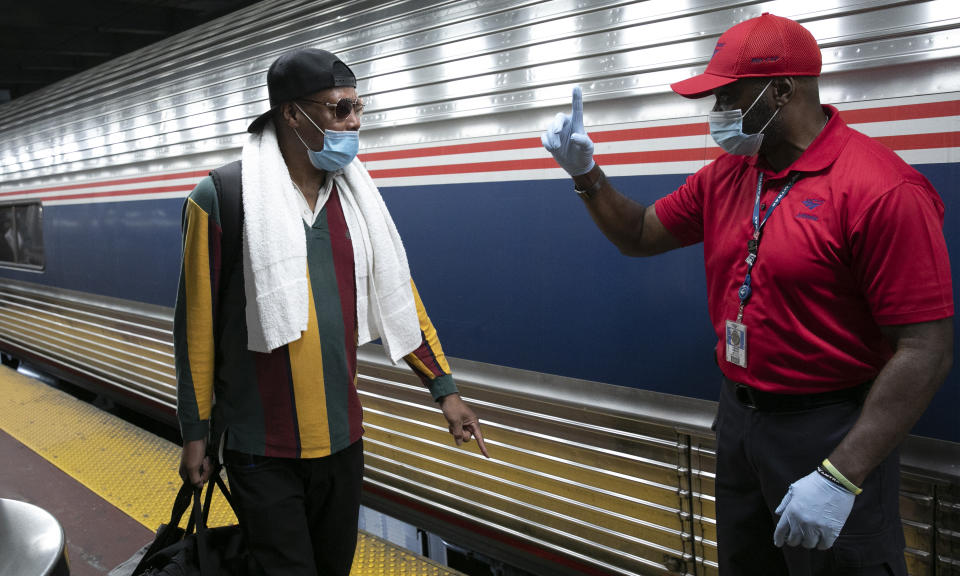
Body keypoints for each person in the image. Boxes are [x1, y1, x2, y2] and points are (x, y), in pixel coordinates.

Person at [542, 13, 952, 576]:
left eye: (727, 96)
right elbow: (639, 234)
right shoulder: (731, 173)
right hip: (740, 422)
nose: (716, 113)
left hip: (831, 430)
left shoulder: (882, 189)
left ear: (782, 89)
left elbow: (925, 349)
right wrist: (587, 175)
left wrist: (841, 475)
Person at [173, 47, 488, 576]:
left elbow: (400, 297)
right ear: (292, 114)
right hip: (261, 447)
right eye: (340, 109)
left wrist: (445, 390)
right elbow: (196, 328)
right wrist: (195, 432)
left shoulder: (356, 201)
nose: (355, 122)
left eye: (359, 107)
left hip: (343, 441)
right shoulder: (223, 196)